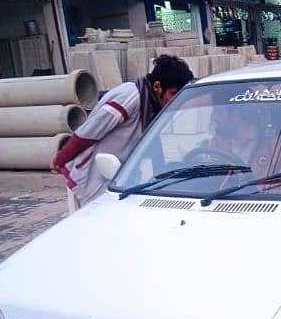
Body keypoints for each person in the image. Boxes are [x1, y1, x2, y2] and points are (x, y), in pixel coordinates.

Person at [51, 54, 193, 210]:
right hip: (91, 175)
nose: (176, 102)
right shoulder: (130, 96)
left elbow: (153, 145)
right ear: (157, 86)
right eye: (173, 94)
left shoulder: (152, 108)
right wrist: (60, 159)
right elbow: (87, 133)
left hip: (118, 178)